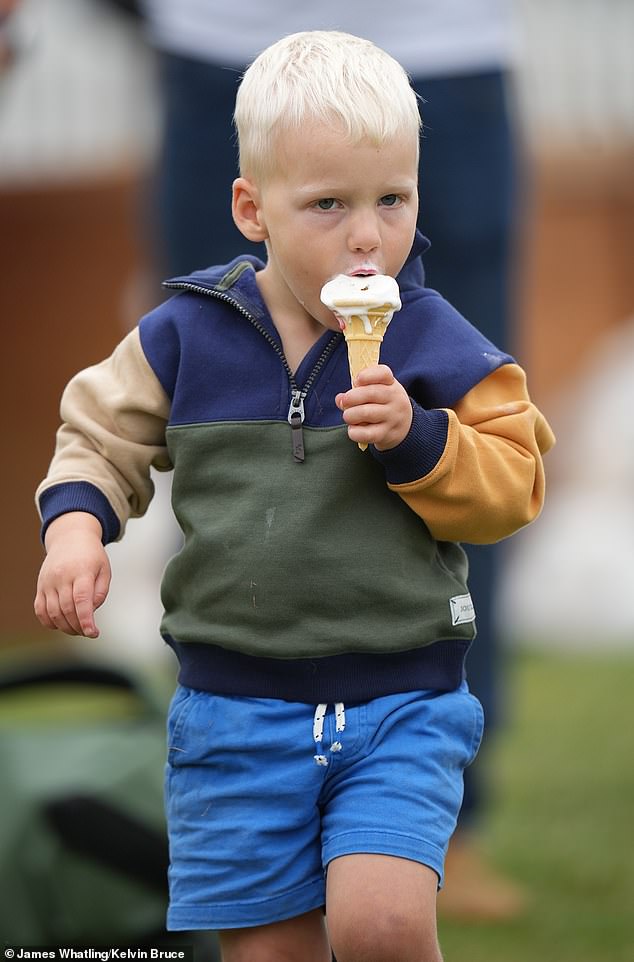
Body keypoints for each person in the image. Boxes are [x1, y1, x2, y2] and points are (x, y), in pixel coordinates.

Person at [34, 31, 554, 962]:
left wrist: (419, 440)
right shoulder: (186, 334)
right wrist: (77, 529)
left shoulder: (437, 341)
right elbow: (99, 431)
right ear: (252, 208)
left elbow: (514, 483)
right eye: (329, 204)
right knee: (270, 950)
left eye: (392, 200)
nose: (367, 235)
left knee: (380, 925)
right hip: (234, 706)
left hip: (401, 694)